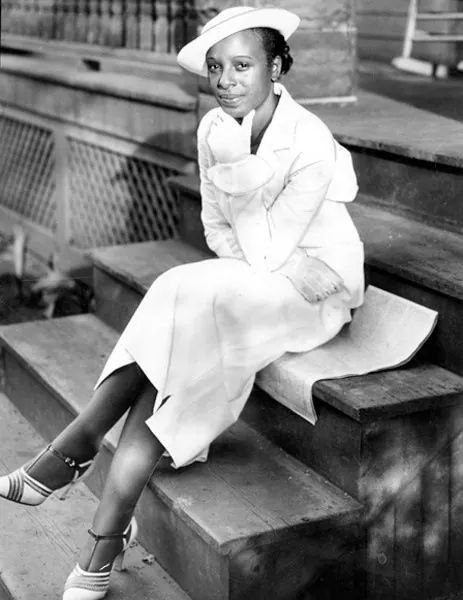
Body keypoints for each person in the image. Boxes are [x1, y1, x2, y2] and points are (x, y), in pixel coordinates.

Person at [0, 6, 364, 599]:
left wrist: (283, 248)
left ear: (276, 69)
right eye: (216, 68)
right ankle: (104, 532)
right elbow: (218, 233)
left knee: (182, 292)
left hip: (316, 288)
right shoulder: (212, 130)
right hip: (251, 274)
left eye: (242, 66)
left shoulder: (310, 140)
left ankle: (75, 460)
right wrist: (265, 240)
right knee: (184, 307)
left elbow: (276, 252)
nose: (225, 81)